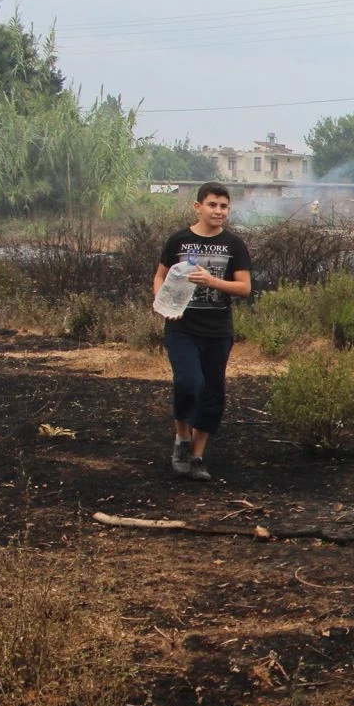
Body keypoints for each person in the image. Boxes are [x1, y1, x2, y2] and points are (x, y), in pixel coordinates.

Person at [152, 182, 253, 482]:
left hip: (218, 331)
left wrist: (213, 283)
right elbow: (160, 276)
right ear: (198, 207)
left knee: (213, 393)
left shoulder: (234, 245)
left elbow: (244, 288)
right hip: (182, 327)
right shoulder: (178, 241)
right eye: (212, 205)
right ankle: (182, 437)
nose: (218, 211)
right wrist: (162, 304)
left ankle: (196, 456)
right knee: (188, 383)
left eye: (223, 206)